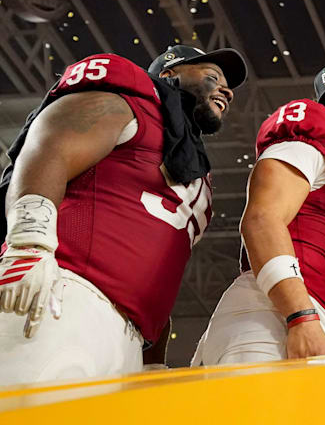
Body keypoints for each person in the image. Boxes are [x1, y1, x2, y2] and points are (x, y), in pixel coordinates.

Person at [0, 45, 246, 383]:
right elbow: (49, 144)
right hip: (64, 296)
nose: (227, 90)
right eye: (213, 76)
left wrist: (151, 360)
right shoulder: (132, 101)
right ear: (169, 74)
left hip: (128, 339)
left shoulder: (190, 166)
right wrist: (29, 244)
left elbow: (158, 268)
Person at [191, 58, 325, 364]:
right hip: (273, 315)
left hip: (304, 317)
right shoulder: (312, 141)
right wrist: (300, 316)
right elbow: (262, 220)